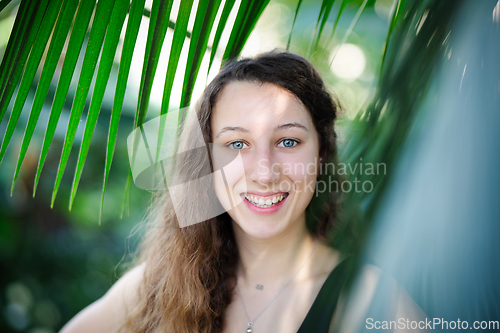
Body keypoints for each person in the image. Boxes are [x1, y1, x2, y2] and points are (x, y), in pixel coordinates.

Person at [59, 51, 422, 333]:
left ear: (322, 152)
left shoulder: (371, 300)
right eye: (236, 144)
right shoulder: (160, 286)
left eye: (288, 140)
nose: (264, 171)